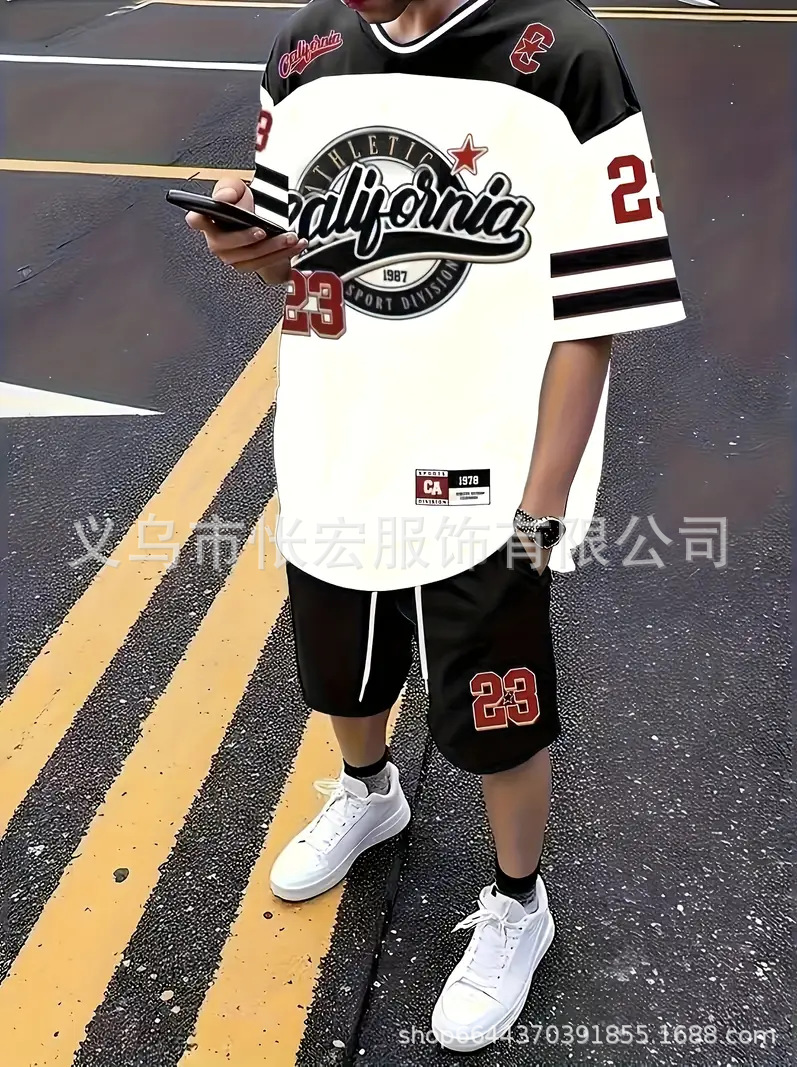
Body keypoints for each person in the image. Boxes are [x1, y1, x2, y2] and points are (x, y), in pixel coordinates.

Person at [188, 0, 684, 1050]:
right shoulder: (304, 50)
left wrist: (540, 511)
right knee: (340, 669)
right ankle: (369, 794)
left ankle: (518, 901)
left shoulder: (562, 55)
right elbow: (310, 272)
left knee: (500, 710)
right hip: (337, 442)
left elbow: (596, 306)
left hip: (485, 469)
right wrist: (252, 248)